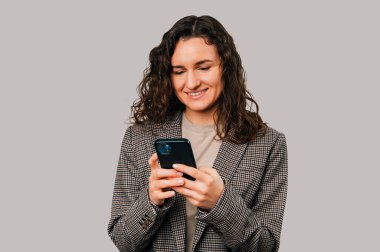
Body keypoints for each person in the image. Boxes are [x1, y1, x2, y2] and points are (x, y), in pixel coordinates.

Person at [108, 15, 288, 252]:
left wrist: (220, 203)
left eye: (203, 67)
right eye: (179, 71)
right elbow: (123, 241)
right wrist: (151, 200)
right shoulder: (139, 138)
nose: (191, 83)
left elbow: (266, 247)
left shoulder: (268, 144)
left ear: (226, 67)